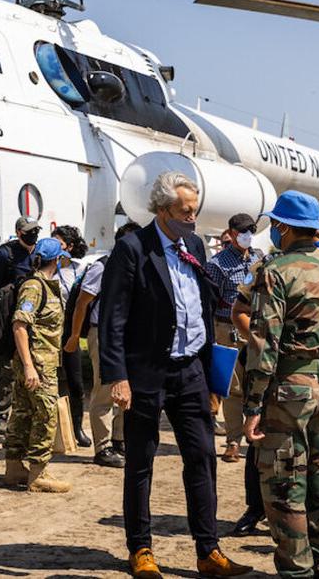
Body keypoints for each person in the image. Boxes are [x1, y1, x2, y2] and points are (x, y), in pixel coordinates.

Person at [99, 172, 251, 578]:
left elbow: (201, 306)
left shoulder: (195, 245)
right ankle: (140, 549)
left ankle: (208, 550)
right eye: (186, 212)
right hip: (147, 372)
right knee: (141, 462)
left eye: (195, 211)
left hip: (191, 371)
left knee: (202, 458)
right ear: (164, 210)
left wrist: (211, 372)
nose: (192, 218)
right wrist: (117, 375)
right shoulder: (133, 248)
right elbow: (113, 317)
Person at [242, 190, 319, 579]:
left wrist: (253, 405)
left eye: (275, 224)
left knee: (285, 487)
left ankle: (297, 572)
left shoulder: (275, 271)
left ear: (285, 228)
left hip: (289, 391)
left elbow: (264, 342)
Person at [64, 222, 141, 469]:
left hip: (129, 334)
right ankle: (103, 446)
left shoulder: (137, 266)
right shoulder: (102, 267)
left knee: (127, 390)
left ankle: (120, 440)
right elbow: (82, 304)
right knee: (105, 388)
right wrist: (75, 336)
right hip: (103, 333)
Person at [3, 237, 73, 493]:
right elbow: (20, 326)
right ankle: (38, 473)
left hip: (39, 362)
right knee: (46, 415)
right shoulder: (35, 286)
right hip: (38, 365)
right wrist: (29, 366)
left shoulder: (45, 286)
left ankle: (14, 469)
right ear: (57, 260)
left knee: (22, 413)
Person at [205, 213, 259, 463]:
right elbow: (209, 302)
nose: (247, 236)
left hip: (256, 329)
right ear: (231, 233)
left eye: (250, 231)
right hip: (227, 329)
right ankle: (233, 441)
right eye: (242, 232)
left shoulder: (259, 259)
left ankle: (256, 437)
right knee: (234, 389)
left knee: (257, 384)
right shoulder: (217, 265)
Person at [0, 215, 42, 434]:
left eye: (36, 231)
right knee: (9, 369)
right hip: (12, 318)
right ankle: (2, 415)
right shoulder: (6, 254)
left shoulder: (40, 253)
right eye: (29, 231)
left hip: (36, 318)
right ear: (19, 233)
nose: (34, 235)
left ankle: (28, 415)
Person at [50, 224, 92, 447]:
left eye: (60, 244)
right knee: (52, 382)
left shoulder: (80, 269)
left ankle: (77, 428)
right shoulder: (48, 268)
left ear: (70, 246)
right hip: (50, 332)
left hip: (69, 330)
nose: (56, 248)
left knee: (76, 382)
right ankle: (53, 431)